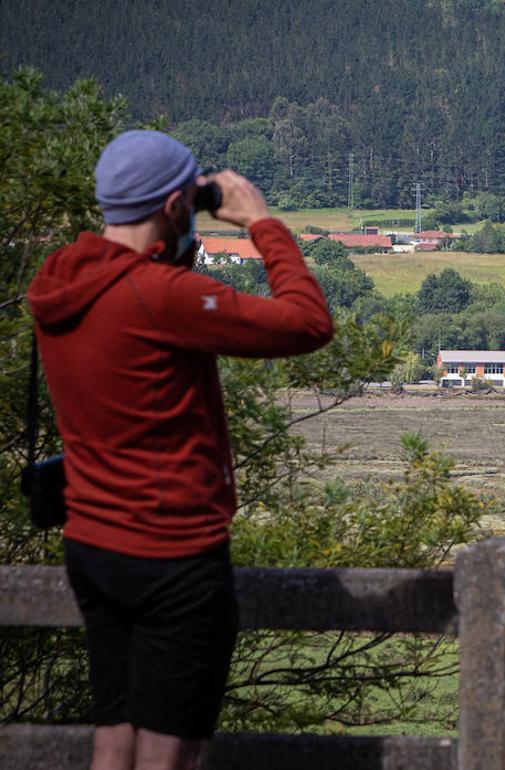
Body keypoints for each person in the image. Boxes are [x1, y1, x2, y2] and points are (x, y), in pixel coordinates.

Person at [27, 130, 335, 770]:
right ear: (173, 205)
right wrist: (262, 223)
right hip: (171, 555)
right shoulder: (155, 297)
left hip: (92, 543)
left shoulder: (61, 282)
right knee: (172, 752)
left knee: (114, 739)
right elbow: (308, 323)